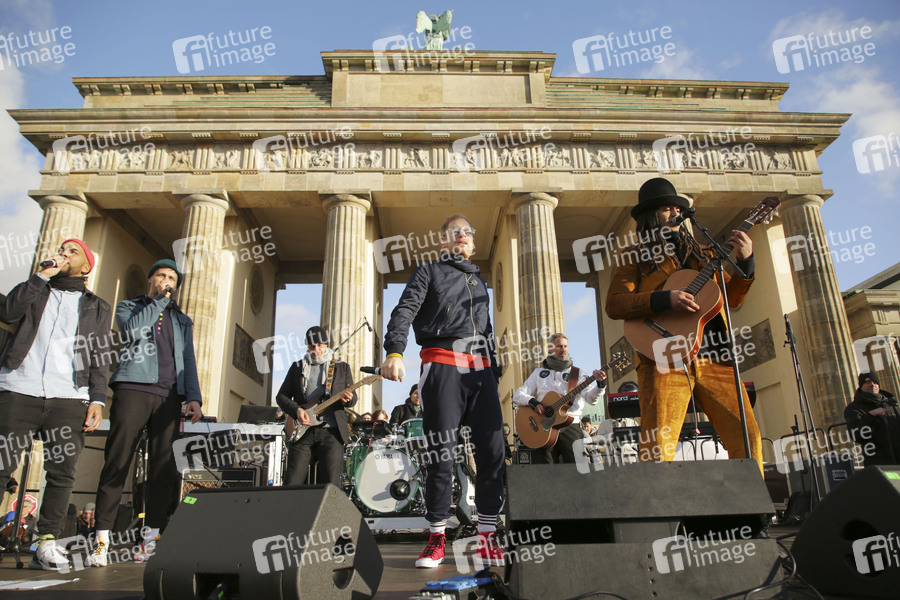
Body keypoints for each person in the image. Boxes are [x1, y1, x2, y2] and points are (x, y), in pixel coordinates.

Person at [605, 177, 763, 471]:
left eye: (677, 208)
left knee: (748, 438)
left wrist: (746, 261)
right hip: (664, 359)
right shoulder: (634, 256)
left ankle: (752, 501)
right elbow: (615, 304)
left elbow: (733, 299)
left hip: (716, 358)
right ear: (650, 216)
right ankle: (658, 502)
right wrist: (664, 299)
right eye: (666, 208)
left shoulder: (705, 254)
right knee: (658, 447)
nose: (675, 212)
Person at [382, 213, 506, 568]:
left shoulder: (479, 282)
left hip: (481, 372)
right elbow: (405, 309)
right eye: (455, 232)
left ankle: (487, 536)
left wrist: (495, 370)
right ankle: (437, 537)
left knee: (493, 453)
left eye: (468, 232)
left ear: (473, 242)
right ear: (443, 240)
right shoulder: (428, 271)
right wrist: (394, 351)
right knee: (442, 454)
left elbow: (486, 330)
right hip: (442, 365)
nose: (463, 236)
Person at [0, 239, 111, 571]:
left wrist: (98, 398)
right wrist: (39, 277)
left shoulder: (97, 306)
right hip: (19, 386)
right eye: (62, 249)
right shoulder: (36, 289)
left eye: (72, 251)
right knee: (2, 464)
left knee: (61, 472)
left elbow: (100, 353)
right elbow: (8, 312)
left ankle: (46, 542)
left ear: (86, 266)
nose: (64, 254)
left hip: (69, 395)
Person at [89, 259, 203, 567]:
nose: (166, 281)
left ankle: (150, 538)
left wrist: (193, 397)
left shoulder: (182, 320)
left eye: (172, 278)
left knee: (163, 469)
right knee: (118, 460)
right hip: (133, 389)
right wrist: (160, 302)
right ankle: (101, 540)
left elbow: (188, 359)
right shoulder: (130, 307)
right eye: (161, 276)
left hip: (169, 396)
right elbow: (132, 332)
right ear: (151, 280)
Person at [276, 326, 357, 486]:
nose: (316, 349)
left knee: (332, 484)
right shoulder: (297, 367)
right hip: (303, 431)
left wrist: (348, 399)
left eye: (320, 345)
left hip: (331, 432)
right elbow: (281, 396)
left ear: (326, 344)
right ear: (307, 346)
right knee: (292, 481)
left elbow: (352, 399)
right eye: (312, 346)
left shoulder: (341, 367)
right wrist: (297, 410)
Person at [513, 333, 607, 464]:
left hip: (570, 426)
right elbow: (518, 395)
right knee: (544, 468)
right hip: (543, 428)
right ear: (550, 349)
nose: (563, 349)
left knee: (578, 467)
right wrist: (533, 402)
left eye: (565, 346)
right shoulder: (538, 373)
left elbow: (591, 399)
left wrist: (600, 385)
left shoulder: (578, 373)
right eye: (559, 346)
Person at [845, 372, 900, 466]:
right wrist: (870, 415)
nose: (872, 384)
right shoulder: (853, 408)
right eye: (868, 382)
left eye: (875, 382)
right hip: (879, 464)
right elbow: (856, 435)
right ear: (861, 385)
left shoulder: (891, 404)